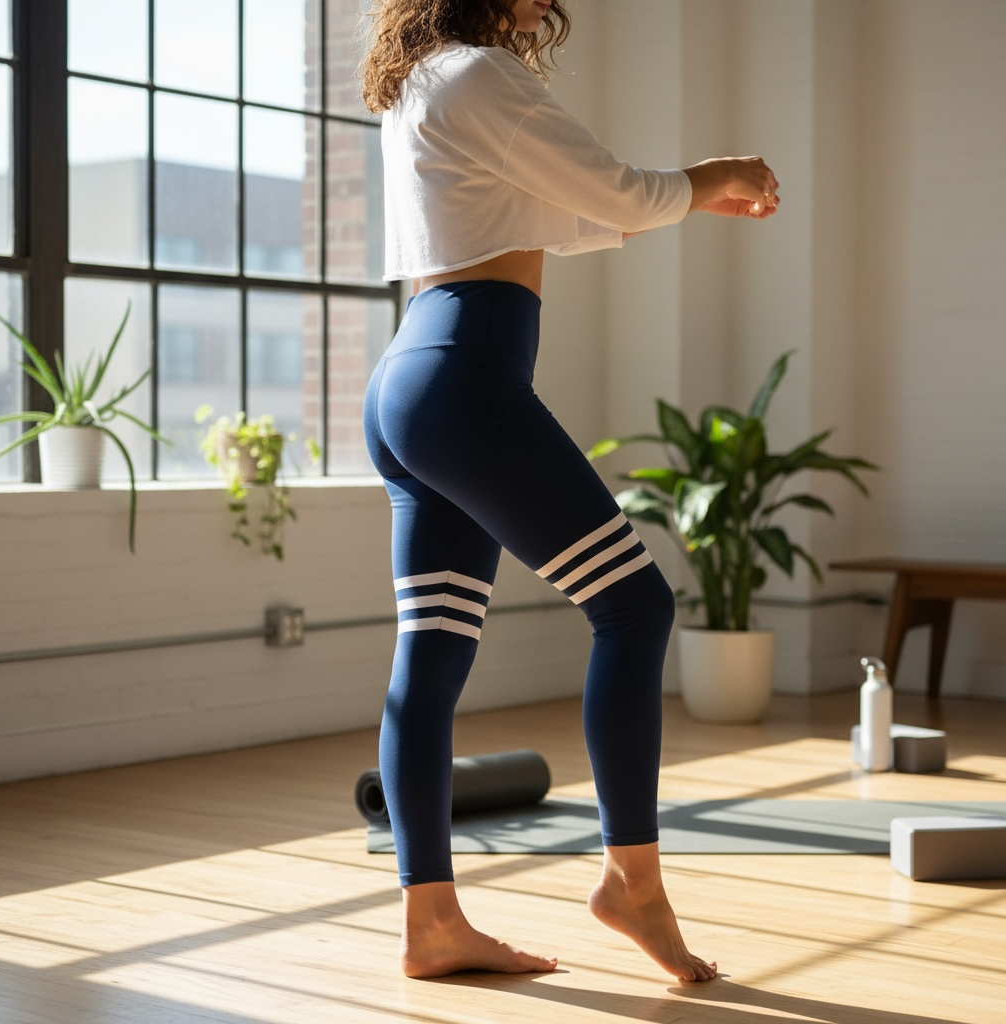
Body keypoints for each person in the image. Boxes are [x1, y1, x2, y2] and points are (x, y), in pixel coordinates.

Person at [361, 0, 779, 981]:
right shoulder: (480, 75)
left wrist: (671, 199)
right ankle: (631, 883)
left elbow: (567, 209)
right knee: (634, 606)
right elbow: (621, 195)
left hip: (412, 377)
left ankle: (431, 920)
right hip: (466, 374)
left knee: (431, 647)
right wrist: (706, 176)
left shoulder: (424, 81)